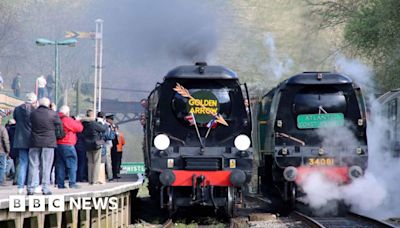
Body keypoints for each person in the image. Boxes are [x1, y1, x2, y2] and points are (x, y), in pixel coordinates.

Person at [27, 97, 61, 195]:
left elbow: (29, 125)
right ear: (48, 104)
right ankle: (45, 188)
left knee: (33, 164)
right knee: (46, 165)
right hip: (49, 142)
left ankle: (30, 188)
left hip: (35, 141)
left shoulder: (33, 113)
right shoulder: (53, 114)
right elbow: (59, 126)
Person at [13, 93, 38, 194]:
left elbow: (15, 119)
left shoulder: (17, 109)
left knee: (23, 163)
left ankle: (20, 187)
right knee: (34, 163)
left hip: (20, 139)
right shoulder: (34, 110)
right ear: (34, 101)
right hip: (32, 140)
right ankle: (34, 185)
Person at [56, 106, 83, 189]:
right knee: (72, 164)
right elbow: (79, 128)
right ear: (67, 112)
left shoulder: (56, 118)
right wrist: (77, 121)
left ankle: (60, 184)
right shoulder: (67, 119)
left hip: (58, 144)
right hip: (67, 144)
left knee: (60, 164)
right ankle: (72, 183)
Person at [82, 110, 106, 185]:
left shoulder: (84, 123)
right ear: (92, 116)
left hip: (87, 145)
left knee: (90, 163)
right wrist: (101, 123)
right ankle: (95, 180)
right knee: (96, 163)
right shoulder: (94, 123)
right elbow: (103, 129)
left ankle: (90, 180)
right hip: (95, 144)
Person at [0, 116, 10, 186]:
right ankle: (1, 181)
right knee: (2, 166)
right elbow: (6, 140)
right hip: (1, 151)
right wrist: (8, 150)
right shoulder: (2, 129)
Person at [5, 119, 16, 184]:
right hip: (18, 148)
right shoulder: (18, 129)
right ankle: (15, 178)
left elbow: (7, 140)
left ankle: (14, 177)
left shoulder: (8, 130)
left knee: (12, 163)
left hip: (11, 148)